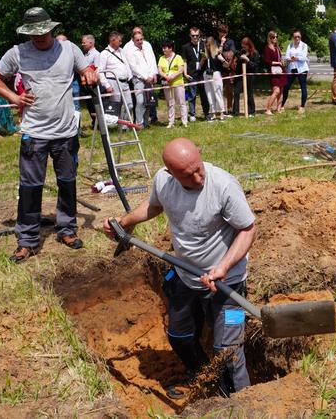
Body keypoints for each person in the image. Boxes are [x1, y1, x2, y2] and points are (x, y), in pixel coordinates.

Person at [102, 137, 256, 398]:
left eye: (199, 169)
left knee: (227, 349)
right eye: (188, 175)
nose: (198, 178)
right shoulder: (164, 182)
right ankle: (204, 380)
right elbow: (154, 205)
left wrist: (224, 267)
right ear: (170, 174)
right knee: (179, 336)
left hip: (230, 287)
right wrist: (124, 221)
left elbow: (248, 228)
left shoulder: (224, 185)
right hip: (186, 278)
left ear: (200, 153)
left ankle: (243, 402)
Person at [0, 7, 98, 263]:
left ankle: (67, 230)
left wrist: (90, 73)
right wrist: (14, 97)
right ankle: (27, 240)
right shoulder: (18, 53)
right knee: (29, 187)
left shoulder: (69, 49)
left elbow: (86, 70)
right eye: (33, 34)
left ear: (52, 29)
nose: (38, 38)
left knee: (67, 182)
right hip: (34, 132)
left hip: (66, 131)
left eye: (43, 33)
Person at [125, 31, 158, 127]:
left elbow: (152, 62)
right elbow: (134, 67)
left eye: (141, 39)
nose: (140, 41)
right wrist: (145, 77)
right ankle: (138, 123)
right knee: (140, 101)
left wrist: (152, 75)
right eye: (137, 40)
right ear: (133, 40)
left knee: (148, 101)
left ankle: (146, 122)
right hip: (138, 79)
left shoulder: (146, 48)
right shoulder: (130, 51)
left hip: (149, 78)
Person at [99, 31, 134, 122]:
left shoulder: (121, 51)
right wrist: (107, 85)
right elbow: (100, 71)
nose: (121, 42)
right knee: (116, 105)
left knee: (129, 105)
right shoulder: (104, 53)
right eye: (119, 41)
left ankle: (125, 125)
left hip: (125, 82)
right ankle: (111, 125)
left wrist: (129, 76)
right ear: (113, 40)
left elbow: (126, 64)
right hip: (113, 81)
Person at [181, 27, 210, 122]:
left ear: (199, 35)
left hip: (202, 74)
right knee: (192, 95)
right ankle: (192, 114)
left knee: (204, 95)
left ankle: (207, 113)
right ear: (190, 36)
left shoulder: (203, 45)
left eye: (197, 35)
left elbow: (207, 57)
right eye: (193, 35)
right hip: (191, 74)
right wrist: (185, 73)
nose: (195, 37)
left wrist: (205, 58)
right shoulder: (186, 47)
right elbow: (184, 61)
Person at [158, 40, 188, 129]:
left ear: (170, 48)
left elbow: (181, 69)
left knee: (181, 102)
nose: (163, 49)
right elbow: (159, 70)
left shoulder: (178, 57)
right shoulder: (161, 58)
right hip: (167, 83)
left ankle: (184, 121)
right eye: (163, 48)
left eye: (165, 48)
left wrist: (172, 76)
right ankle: (171, 122)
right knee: (169, 103)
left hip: (178, 83)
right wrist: (165, 76)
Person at [281, 30, 310, 113]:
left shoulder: (304, 45)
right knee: (286, 86)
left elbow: (304, 57)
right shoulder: (290, 45)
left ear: (300, 37)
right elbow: (287, 57)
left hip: (302, 69)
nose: (297, 38)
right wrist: (292, 58)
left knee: (303, 87)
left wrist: (296, 58)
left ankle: (302, 106)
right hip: (292, 68)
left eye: (298, 37)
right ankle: (282, 105)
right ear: (293, 37)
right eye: (295, 37)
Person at [232, 37, 259, 117]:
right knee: (236, 92)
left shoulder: (254, 53)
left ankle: (251, 111)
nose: (243, 48)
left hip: (249, 76)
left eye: (245, 46)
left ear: (249, 45)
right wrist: (240, 56)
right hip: (240, 75)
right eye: (242, 46)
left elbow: (255, 66)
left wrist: (247, 60)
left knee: (249, 93)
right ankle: (235, 112)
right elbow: (235, 53)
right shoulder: (241, 52)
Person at [203, 36, 226, 122]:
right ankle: (213, 113)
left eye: (209, 45)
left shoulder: (217, 53)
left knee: (218, 93)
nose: (207, 47)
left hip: (216, 74)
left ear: (212, 44)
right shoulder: (205, 54)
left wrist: (224, 62)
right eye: (206, 45)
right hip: (206, 74)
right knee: (209, 94)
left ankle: (221, 113)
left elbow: (224, 62)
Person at [263, 31, 286, 115]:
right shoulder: (267, 48)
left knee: (281, 91)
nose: (275, 38)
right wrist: (277, 63)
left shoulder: (277, 48)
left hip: (281, 71)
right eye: (273, 37)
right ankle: (268, 109)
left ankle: (278, 109)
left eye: (276, 37)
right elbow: (267, 61)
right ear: (269, 38)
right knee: (276, 91)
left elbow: (280, 59)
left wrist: (282, 62)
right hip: (274, 72)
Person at [81, 34, 101, 128]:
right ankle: (94, 122)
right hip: (86, 84)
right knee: (89, 104)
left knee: (95, 104)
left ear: (91, 42)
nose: (82, 44)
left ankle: (99, 123)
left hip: (93, 85)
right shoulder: (86, 54)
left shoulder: (96, 54)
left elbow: (97, 70)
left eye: (84, 42)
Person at [216, 24, 236, 114]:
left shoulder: (231, 41)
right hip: (218, 69)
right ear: (218, 32)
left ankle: (230, 108)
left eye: (225, 32)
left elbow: (232, 52)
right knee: (218, 90)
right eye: (221, 32)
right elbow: (216, 54)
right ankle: (221, 109)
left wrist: (227, 61)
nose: (223, 34)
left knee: (229, 90)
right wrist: (222, 43)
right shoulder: (216, 41)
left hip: (229, 69)